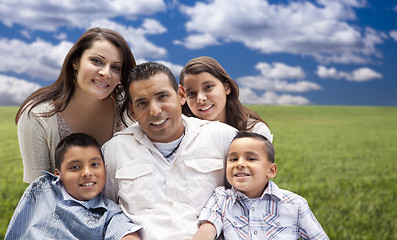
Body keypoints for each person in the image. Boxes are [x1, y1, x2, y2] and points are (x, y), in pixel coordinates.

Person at [102, 62, 237, 239]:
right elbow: (105, 210)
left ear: (181, 95)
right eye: (142, 103)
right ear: (132, 110)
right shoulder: (114, 150)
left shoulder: (223, 137)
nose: (155, 111)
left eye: (163, 96)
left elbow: (250, 198)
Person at [15, 27, 136, 183]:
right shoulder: (37, 118)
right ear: (76, 62)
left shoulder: (129, 105)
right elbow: (38, 194)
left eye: (116, 67)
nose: (106, 73)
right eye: (97, 61)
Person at [191, 131, 329, 240]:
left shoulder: (295, 204)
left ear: (271, 170)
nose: (239, 164)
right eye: (233, 159)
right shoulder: (221, 198)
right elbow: (207, 230)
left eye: (251, 158)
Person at [5, 133, 141, 240]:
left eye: (94, 164)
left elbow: (124, 232)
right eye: (75, 167)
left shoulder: (108, 212)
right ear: (58, 174)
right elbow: (18, 225)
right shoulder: (42, 188)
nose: (87, 173)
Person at [179, 56, 273, 142]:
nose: (200, 98)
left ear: (227, 87)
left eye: (208, 87)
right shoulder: (182, 134)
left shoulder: (254, 131)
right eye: (191, 94)